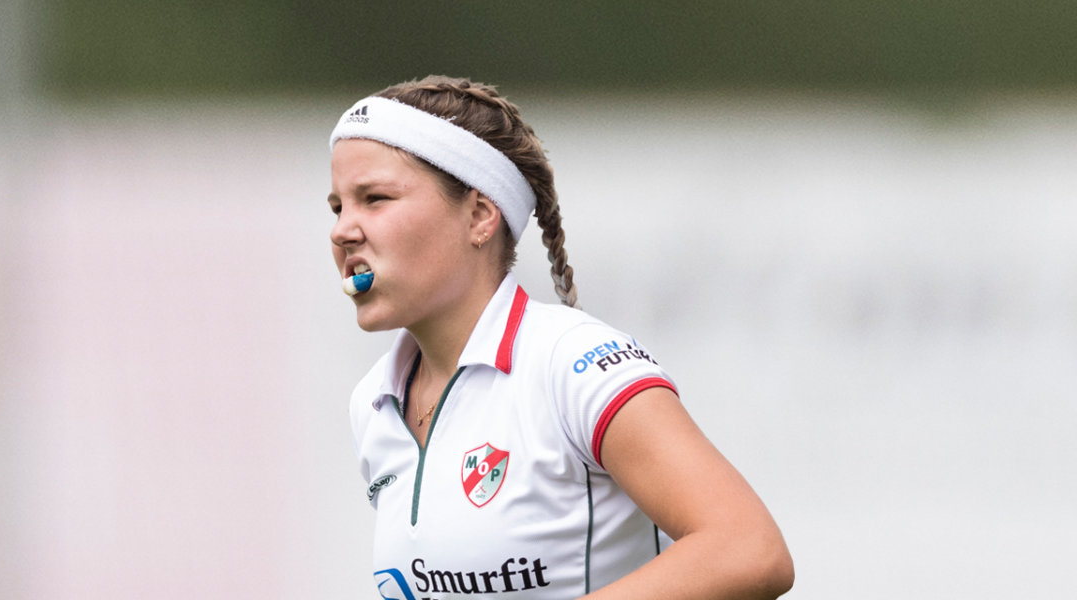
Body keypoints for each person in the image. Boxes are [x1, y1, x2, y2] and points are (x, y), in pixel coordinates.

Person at [328, 75, 794, 599]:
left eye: (375, 199)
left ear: (479, 216)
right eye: (338, 207)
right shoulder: (373, 402)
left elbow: (749, 548)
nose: (342, 230)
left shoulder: (573, 362)